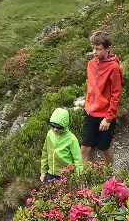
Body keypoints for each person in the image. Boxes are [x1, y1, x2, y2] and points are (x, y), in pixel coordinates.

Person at [82, 29, 123, 166]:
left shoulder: (114, 67)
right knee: (85, 148)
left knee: (104, 147)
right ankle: (85, 182)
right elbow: (90, 87)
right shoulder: (90, 64)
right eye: (93, 48)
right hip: (90, 113)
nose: (95, 52)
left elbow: (115, 95)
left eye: (98, 49)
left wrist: (108, 118)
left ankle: (109, 175)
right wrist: (87, 104)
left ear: (107, 48)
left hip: (105, 116)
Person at [40, 107, 83, 183]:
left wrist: (79, 176)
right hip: (50, 173)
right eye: (53, 126)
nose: (55, 129)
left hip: (65, 175)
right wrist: (43, 172)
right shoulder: (50, 134)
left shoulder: (72, 139)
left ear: (65, 124)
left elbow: (78, 159)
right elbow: (45, 153)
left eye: (59, 127)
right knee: (49, 193)